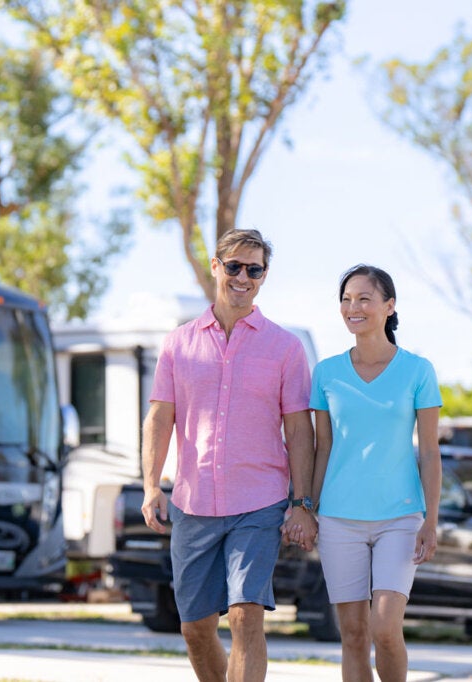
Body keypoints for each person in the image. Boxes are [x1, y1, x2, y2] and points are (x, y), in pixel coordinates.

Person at [141, 229, 317, 682]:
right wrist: (151, 485)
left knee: (245, 614)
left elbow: (299, 430)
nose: (243, 277)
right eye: (235, 266)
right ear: (216, 266)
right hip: (192, 502)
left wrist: (302, 502)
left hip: (259, 501)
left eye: (254, 269)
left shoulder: (285, 348)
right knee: (196, 629)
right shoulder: (178, 343)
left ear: (264, 276)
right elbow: (160, 418)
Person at [309, 264, 441, 682]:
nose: (353, 307)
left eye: (364, 298)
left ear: (389, 305)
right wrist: (308, 509)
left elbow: (431, 451)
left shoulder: (418, 370)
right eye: (346, 299)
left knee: (384, 628)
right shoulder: (326, 372)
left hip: (399, 517)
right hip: (338, 518)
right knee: (352, 634)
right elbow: (322, 447)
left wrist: (431, 520)